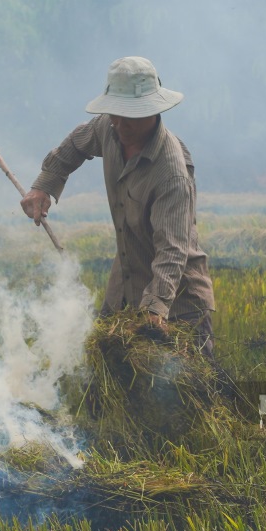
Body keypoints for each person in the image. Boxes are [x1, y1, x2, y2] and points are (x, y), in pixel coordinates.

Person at [21, 56, 217, 359]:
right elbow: (75, 145)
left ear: (152, 111)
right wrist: (44, 185)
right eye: (116, 113)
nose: (120, 124)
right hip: (125, 284)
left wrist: (154, 311)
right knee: (104, 370)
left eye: (131, 116)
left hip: (176, 302)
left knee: (184, 383)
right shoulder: (109, 127)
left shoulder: (171, 173)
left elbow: (172, 250)